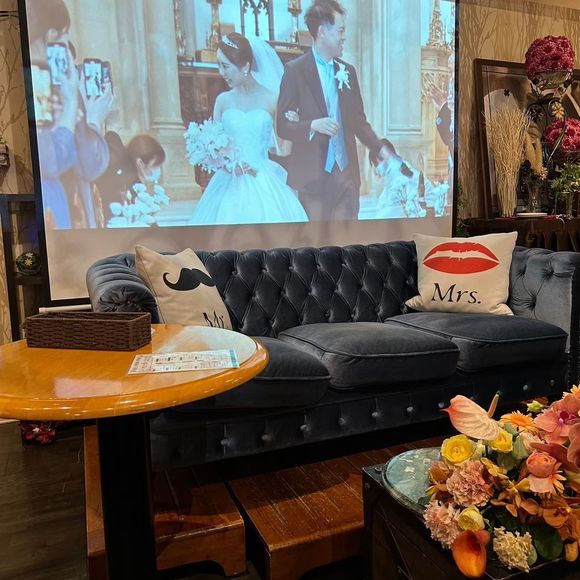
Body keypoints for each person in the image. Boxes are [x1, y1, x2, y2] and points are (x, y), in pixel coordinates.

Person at [276, 0, 391, 221]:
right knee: (318, 242)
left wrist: (382, 150)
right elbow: (282, 126)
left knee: (348, 241)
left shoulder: (348, 71)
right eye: (341, 30)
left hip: (346, 178)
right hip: (312, 180)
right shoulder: (295, 71)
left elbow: (359, 122)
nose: (344, 36)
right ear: (322, 31)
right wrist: (312, 125)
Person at [190, 33, 308, 225]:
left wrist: (293, 126)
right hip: (228, 180)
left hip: (260, 175)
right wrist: (227, 163)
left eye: (225, 66)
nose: (221, 72)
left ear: (245, 66)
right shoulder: (222, 101)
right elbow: (214, 146)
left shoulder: (272, 99)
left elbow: (283, 150)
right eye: (219, 65)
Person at [27, 0, 109, 230]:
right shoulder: (33, 82)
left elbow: (89, 168)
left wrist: (92, 122)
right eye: (64, 34)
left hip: (71, 213)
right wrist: (70, 106)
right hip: (46, 210)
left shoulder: (65, 87)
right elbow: (50, 162)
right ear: (51, 34)